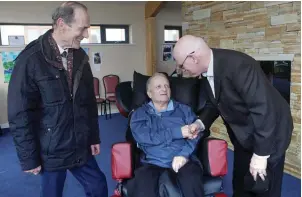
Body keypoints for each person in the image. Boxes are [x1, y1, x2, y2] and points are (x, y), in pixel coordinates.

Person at [7, 2, 108, 197]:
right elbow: (19, 113)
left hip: (80, 145)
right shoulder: (30, 60)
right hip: (51, 150)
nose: (86, 34)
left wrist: (93, 136)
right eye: (83, 28)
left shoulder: (80, 58)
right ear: (62, 24)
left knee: (98, 186)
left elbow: (88, 103)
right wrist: (29, 157)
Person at [172, 35, 293, 197]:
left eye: (181, 65)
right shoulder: (207, 69)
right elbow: (214, 103)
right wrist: (200, 124)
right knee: (241, 184)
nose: (181, 70)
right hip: (244, 134)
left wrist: (261, 155)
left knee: (264, 187)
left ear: (193, 58)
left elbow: (264, 110)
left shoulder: (239, 66)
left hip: (270, 134)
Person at [128, 73, 205, 197]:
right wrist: (178, 132)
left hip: (183, 159)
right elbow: (145, 138)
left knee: (192, 184)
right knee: (142, 189)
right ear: (149, 93)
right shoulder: (139, 114)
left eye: (166, 86)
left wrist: (183, 155)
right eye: (158, 87)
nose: (164, 89)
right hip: (152, 162)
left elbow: (196, 135)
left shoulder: (184, 110)